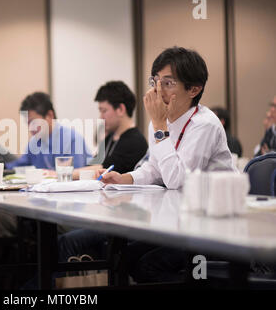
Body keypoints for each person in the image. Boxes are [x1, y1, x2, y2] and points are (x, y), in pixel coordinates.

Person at [59, 47, 237, 284]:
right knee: (123, 257)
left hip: (211, 227)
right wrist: (125, 178)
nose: (158, 90)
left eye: (168, 83)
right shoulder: (162, 122)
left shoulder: (204, 124)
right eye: (155, 81)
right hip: (177, 221)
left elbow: (176, 180)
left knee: (146, 266)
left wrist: (159, 124)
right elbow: (154, 168)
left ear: (194, 89)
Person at [73, 81, 148, 178]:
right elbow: (92, 165)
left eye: (104, 111)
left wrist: (62, 174)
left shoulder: (134, 141)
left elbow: (102, 169)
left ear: (120, 109)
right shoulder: (110, 138)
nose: (101, 117)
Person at [5, 92, 92, 170]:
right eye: (28, 123)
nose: (30, 128)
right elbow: (20, 164)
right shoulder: (34, 142)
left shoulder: (73, 140)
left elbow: (75, 176)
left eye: (33, 122)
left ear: (49, 115)